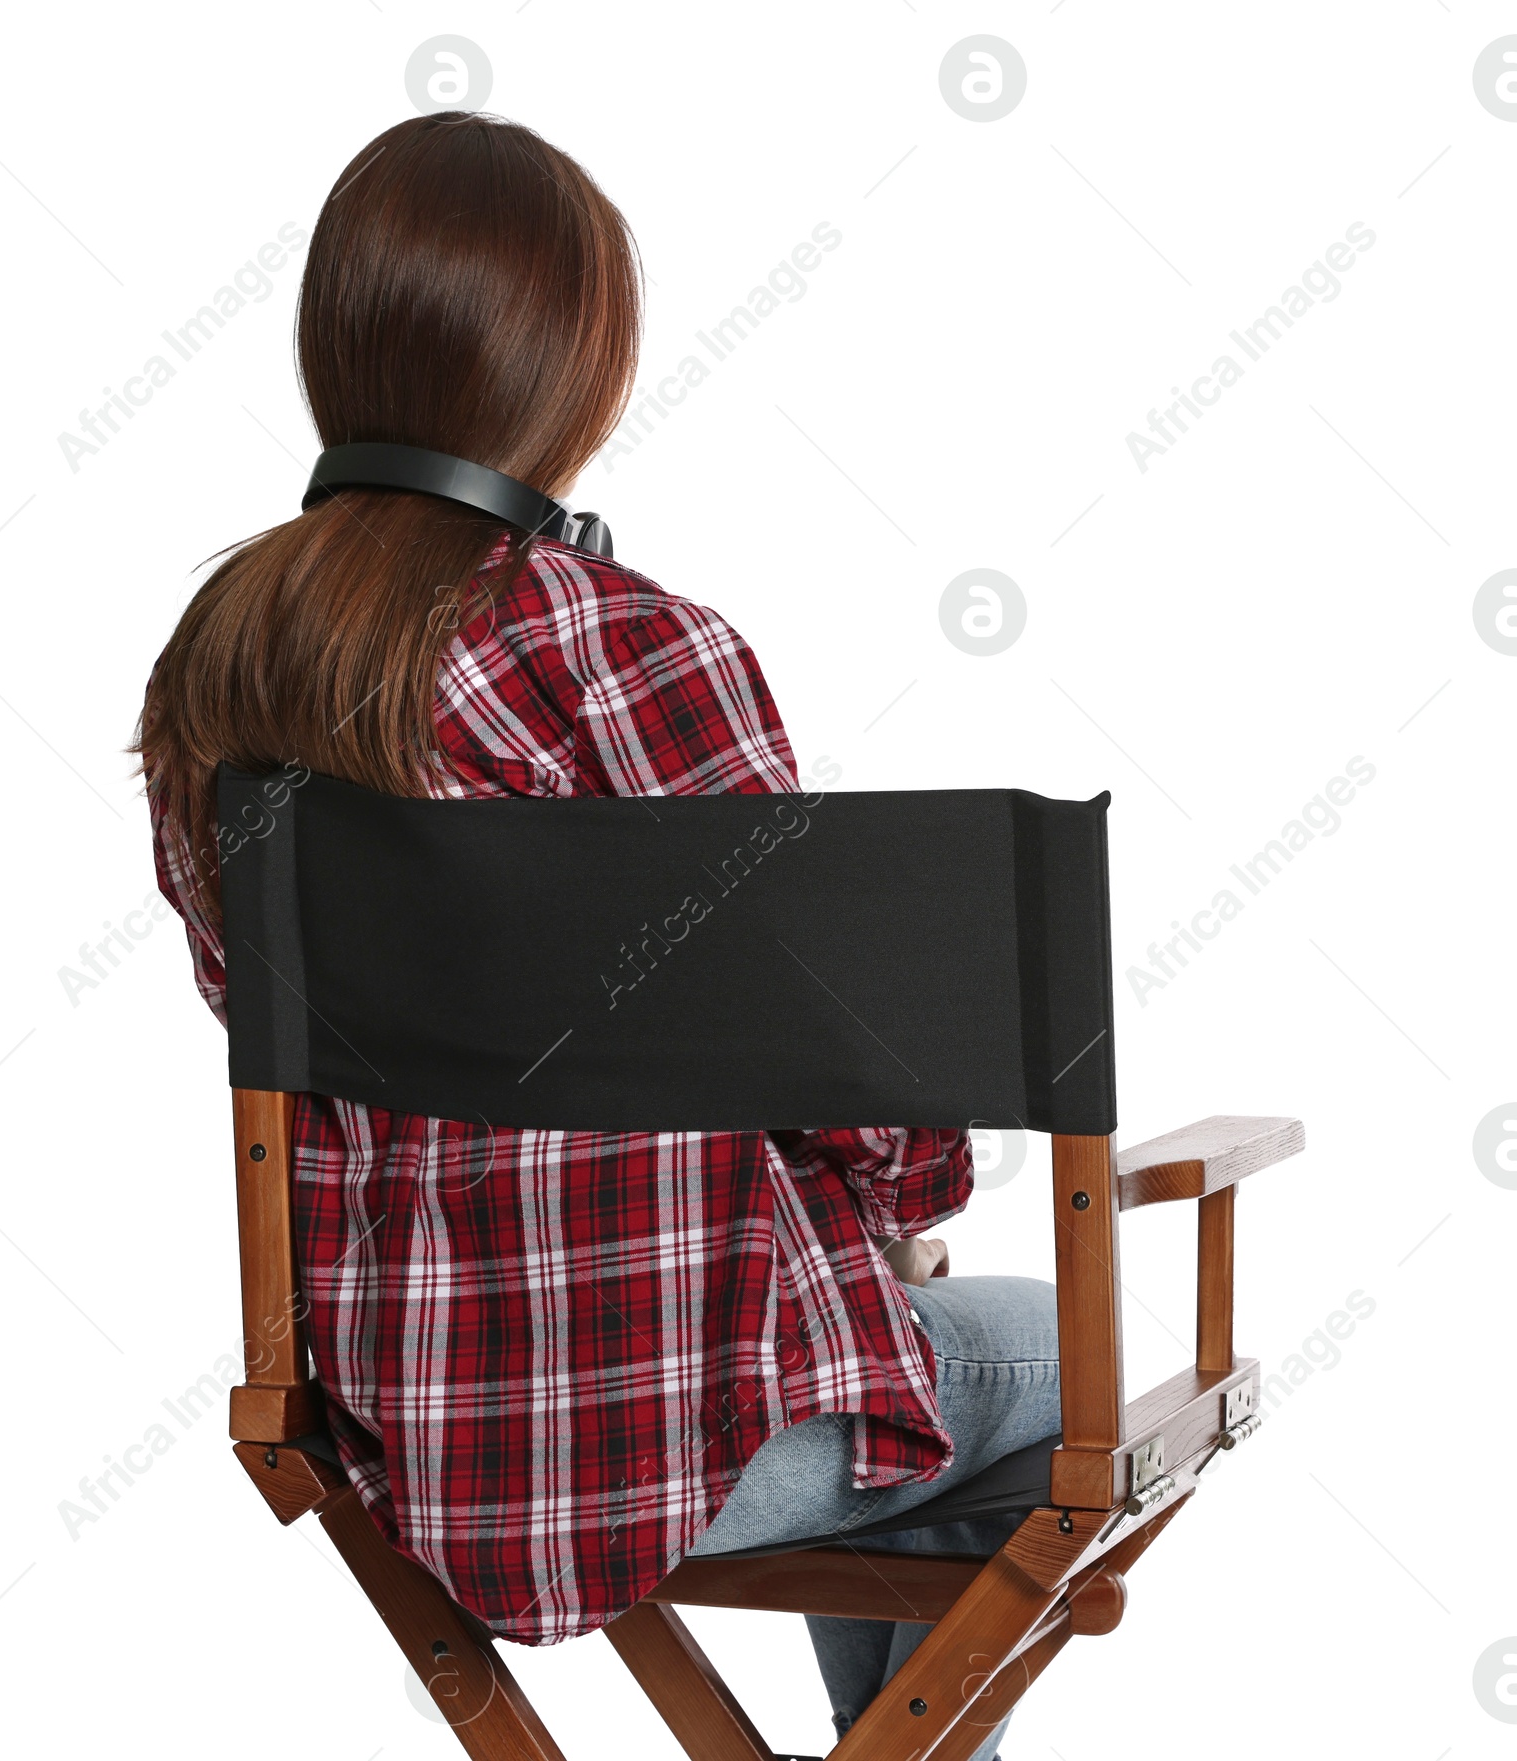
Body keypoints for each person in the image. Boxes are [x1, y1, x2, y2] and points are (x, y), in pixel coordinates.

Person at [136, 111, 1060, 1759]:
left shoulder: (218, 673)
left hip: (409, 1445)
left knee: (896, 1384)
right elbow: (841, 1050)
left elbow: (263, 1023)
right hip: (708, 1440)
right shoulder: (619, 643)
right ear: (574, 364)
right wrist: (908, 1204)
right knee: (1042, 1360)